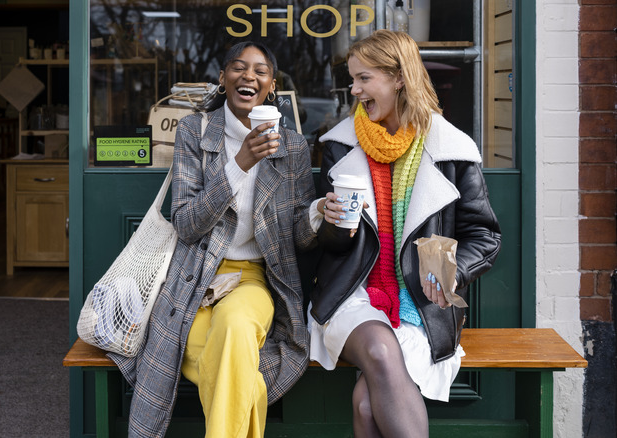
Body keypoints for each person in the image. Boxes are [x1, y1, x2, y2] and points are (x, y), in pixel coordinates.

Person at [107, 41, 319, 438]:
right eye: (238, 67)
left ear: (271, 87)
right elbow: (187, 223)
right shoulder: (195, 131)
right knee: (236, 364)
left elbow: (300, 238)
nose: (248, 76)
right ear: (223, 79)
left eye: (260, 71)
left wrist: (320, 214)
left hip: (254, 276)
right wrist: (240, 163)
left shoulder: (291, 147)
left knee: (236, 325)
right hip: (193, 278)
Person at [307, 30, 501, 437]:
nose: (354, 89)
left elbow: (484, 236)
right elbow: (331, 247)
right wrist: (328, 219)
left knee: (365, 404)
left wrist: (451, 272)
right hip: (353, 294)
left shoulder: (450, 150)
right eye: (353, 79)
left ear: (398, 78)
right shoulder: (340, 147)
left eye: (364, 78)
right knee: (378, 348)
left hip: (421, 304)